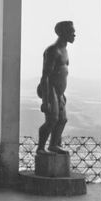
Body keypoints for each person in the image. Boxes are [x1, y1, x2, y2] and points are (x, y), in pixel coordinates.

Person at [36, 21, 76, 154]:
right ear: (62, 33)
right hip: (50, 88)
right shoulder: (53, 50)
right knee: (52, 119)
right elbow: (45, 76)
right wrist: (45, 101)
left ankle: (53, 145)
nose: (74, 34)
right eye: (71, 31)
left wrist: (62, 93)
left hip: (59, 91)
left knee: (62, 119)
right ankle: (41, 148)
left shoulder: (64, 50)